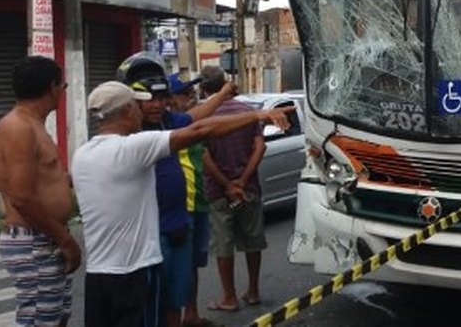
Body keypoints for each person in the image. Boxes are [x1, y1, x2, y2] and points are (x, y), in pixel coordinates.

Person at [71, 80, 294, 327]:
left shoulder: (81, 155)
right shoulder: (133, 148)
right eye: (136, 105)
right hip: (135, 272)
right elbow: (200, 130)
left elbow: (192, 121)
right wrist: (259, 114)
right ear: (126, 110)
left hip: (98, 274)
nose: (142, 110)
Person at [117, 54, 235, 327]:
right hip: (145, 236)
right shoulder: (125, 134)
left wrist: (257, 114)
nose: (158, 105)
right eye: (150, 100)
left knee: (175, 299)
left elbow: (201, 121)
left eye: (162, 98)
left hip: (178, 225)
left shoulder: (168, 122)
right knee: (148, 304)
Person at [0, 56, 81, 326]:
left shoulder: (33, 124)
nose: (62, 93)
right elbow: (21, 197)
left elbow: (43, 180)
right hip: (33, 239)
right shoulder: (18, 127)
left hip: (43, 237)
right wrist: (65, 239)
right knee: (41, 319)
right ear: (51, 87)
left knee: (55, 315)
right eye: (62, 85)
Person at [201, 66, 268, 312]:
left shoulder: (205, 117)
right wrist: (242, 180)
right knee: (252, 241)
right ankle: (253, 291)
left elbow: (204, 156)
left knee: (223, 244)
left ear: (204, 89)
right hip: (249, 187)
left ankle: (228, 297)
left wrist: (229, 185)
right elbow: (260, 147)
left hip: (219, 192)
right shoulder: (247, 112)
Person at [166, 73, 217, 327]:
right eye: (184, 93)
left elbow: (204, 154)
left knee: (194, 263)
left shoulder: (187, 120)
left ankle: (191, 314)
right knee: (181, 265)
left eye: (191, 92)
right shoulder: (170, 125)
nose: (190, 96)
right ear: (170, 98)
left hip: (199, 199)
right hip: (182, 204)